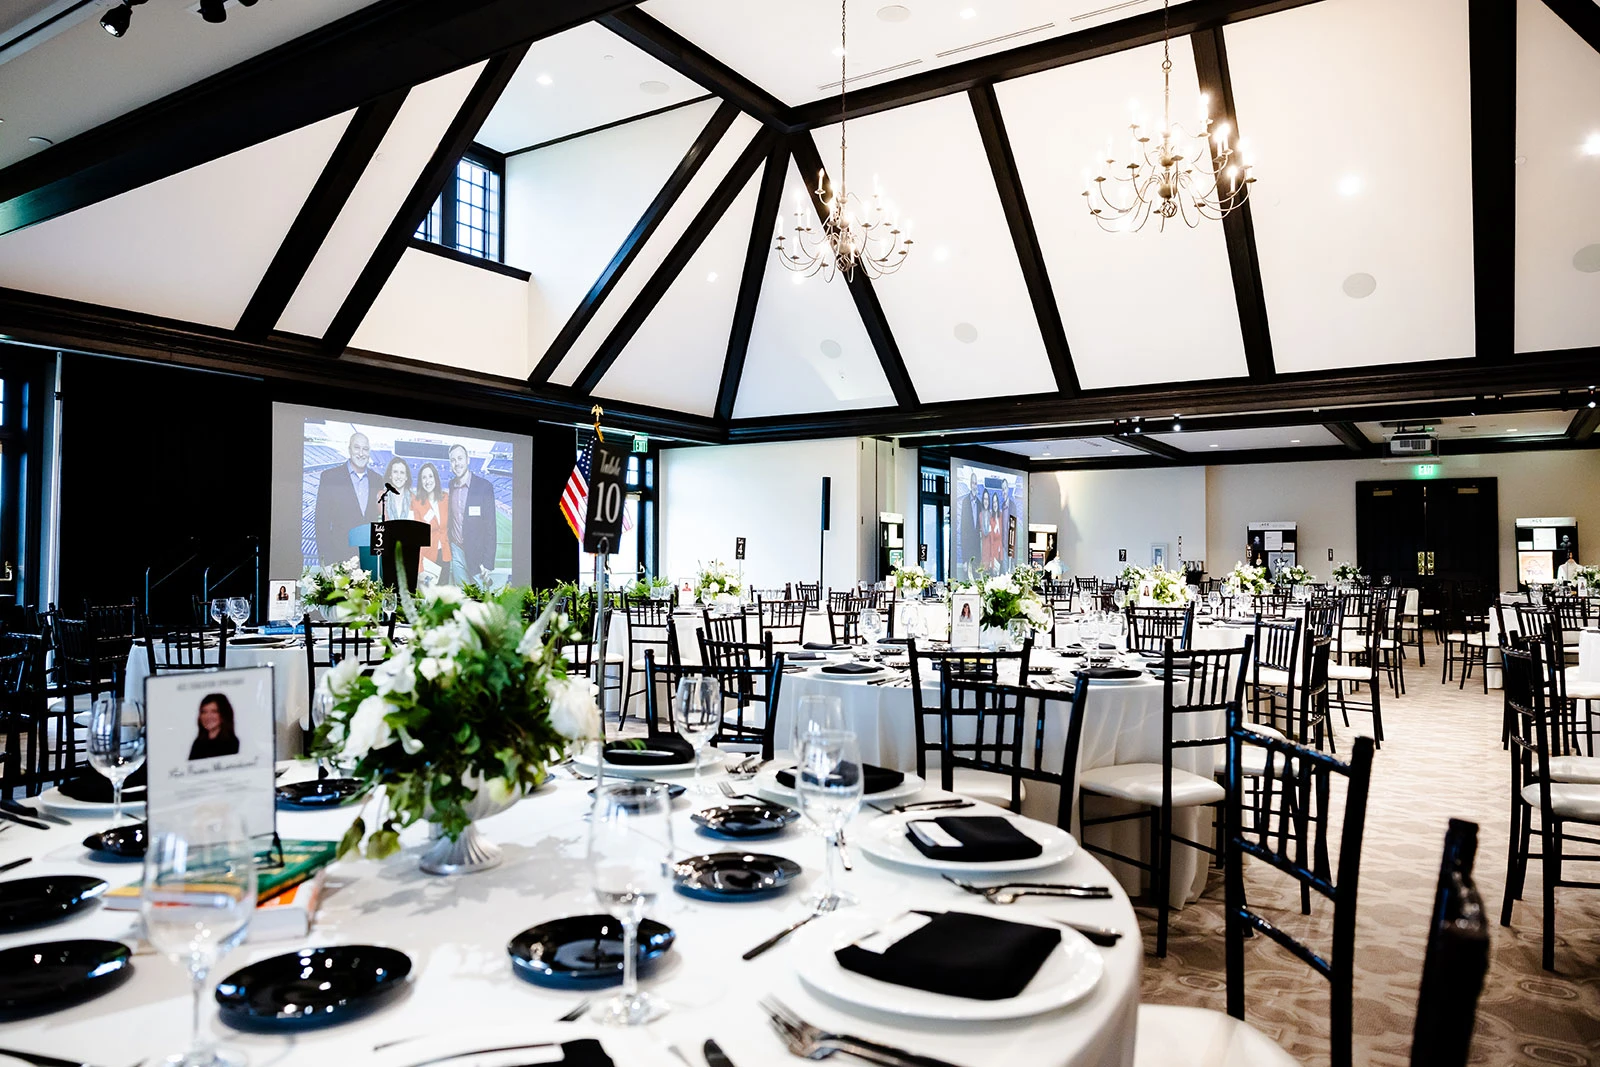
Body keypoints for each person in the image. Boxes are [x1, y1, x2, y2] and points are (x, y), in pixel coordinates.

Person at [314, 432, 382, 567]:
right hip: (339, 559)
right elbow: (321, 521)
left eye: (365, 449)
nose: (361, 453)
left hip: (369, 560)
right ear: (349, 449)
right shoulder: (330, 477)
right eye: (357, 447)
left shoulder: (377, 479)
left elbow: (377, 522)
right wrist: (326, 561)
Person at [447, 444, 497, 582]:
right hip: (456, 551)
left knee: (480, 595)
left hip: (477, 557)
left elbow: (491, 526)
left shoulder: (484, 487)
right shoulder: (451, 485)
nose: (457, 463)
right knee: (461, 594)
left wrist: (488, 563)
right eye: (453, 460)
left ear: (468, 460)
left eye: (460, 458)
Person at [412, 462, 451, 572]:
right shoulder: (417, 504)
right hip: (427, 558)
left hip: (445, 555)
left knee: (444, 584)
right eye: (424, 477)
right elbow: (416, 538)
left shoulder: (445, 498)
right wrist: (420, 566)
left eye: (430, 476)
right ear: (420, 481)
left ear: (436, 478)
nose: (427, 481)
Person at [188, 693, 240, 760]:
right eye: (204, 712)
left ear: (223, 715)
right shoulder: (198, 743)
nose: (208, 716)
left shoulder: (231, 743)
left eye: (214, 711)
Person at [383, 457, 414, 522]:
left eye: (402, 472)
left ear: (406, 477)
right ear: (390, 475)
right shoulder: (381, 496)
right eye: (395, 472)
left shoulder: (414, 499)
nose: (398, 476)